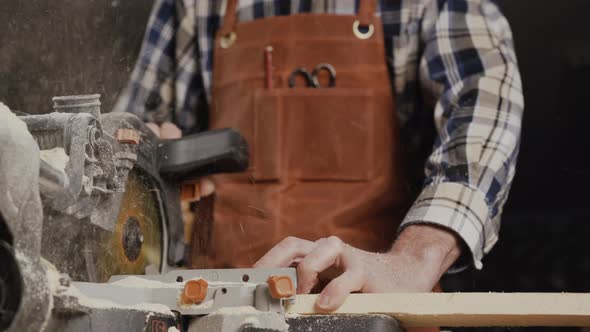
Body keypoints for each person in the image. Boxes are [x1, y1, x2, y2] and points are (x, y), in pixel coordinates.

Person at [115, 0, 523, 312]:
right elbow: (131, 138)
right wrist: (144, 154)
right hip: (221, 308)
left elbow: (485, 106)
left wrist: (415, 260)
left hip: (371, 307)